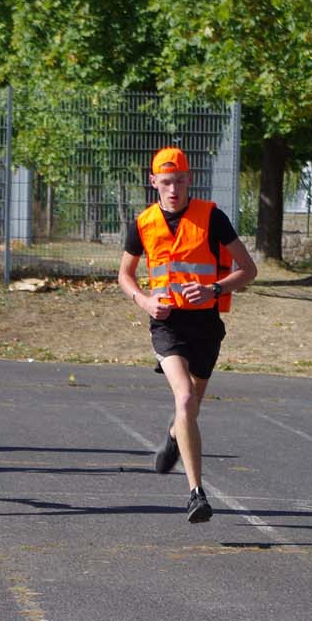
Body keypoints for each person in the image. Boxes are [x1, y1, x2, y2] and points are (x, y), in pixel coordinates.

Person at [118, 146, 257, 523]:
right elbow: (125, 276)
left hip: (206, 325)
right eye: (166, 182)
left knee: (191, 407)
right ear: (153, 183)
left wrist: (215, 288)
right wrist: (145, 302)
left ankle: (173, 435)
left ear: (189, 180)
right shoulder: (143, 223)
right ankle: (196, 494)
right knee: (183, 400)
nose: (173, 189)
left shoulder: (212, 217)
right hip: (167, 325)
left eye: (179, 180)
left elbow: (248, 269)